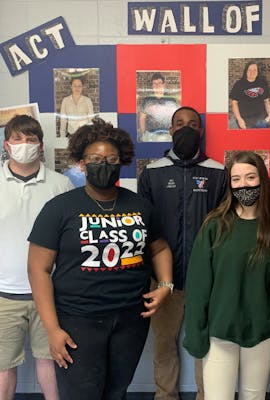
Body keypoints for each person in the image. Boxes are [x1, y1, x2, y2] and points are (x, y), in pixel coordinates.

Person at [27, 118, 173, 400]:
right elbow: (38, 269)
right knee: (81, 394)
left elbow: (159, 248)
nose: (104, 164)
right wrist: (52, 329)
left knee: (117, 391)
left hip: (131, 319)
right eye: (95, 158)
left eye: (112, 159)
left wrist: (165, 284)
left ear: (122, 162)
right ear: (82, 163)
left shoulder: (140, 205)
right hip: (77, 321)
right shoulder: (60, 208)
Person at [183, 151, 270, 400]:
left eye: (250, 177)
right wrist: (196, 331)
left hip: (261, 331)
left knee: (254, 396)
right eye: (236, 179)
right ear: (229, 184)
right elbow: (198, 286)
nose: (243, 185)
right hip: (220, 331)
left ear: (262, 180)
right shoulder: (215, 226)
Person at [138, 106, 227, 400]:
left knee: (208, 346)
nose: (186, 128)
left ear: (200, 131)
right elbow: (145, 229)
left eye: (192, 124)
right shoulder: (152, 172)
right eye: (179, 123)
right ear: (171, 130)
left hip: (208, 281)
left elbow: (227, 226)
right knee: (164, 346)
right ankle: (165, 396)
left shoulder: (217, 172)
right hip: (164, 282)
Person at [0, 114, 74, 400]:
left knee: (52, 362)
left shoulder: (60, 185)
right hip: (4, 293)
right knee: (4, 368)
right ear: (7, 145)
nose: (24, 145)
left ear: (41, 146)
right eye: (17, 139)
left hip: (51, 294)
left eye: (31, 139)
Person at [230, 60, 270, 129]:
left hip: (261, 120)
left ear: (258, 72)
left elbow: (266, 101)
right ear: (246, 71)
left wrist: (269, 116)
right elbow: (234, 103)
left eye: (255, 70)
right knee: (246, 139)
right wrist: (239, 119)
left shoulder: (263, 84)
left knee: (261, 139)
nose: (252, 72)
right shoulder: (239, 84)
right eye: (250, 70)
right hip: (245, 120)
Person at [138, 72, 179, 142]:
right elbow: (142, 118)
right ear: (152, 86)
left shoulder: (171, 100)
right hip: (150, 135)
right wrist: (143, 134)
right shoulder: (146, 100)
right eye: (155, 83)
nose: (157, 85)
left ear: (164, 84)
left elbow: (175, 117)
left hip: (168, 134)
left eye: (159, 83)